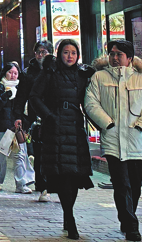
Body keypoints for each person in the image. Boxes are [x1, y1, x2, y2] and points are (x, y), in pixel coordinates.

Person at [85, 40, 142, 242]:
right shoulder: (99, 77)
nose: (115, 58)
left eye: (119, 54)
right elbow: (91, 103)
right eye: (112, 54)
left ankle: (126, 219)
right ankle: (132, 227)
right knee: (121, 185)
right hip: (113, 142)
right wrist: (107, 124)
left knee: (135, 186)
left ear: (130, 58)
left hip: (136, 141)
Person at [30, 40, 94, 240]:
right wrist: (48, 116)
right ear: (59, 54)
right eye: (66, 52)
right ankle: (70, 218)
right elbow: (34, 97)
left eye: (73, 52)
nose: (70, 56)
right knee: (63, 174)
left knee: (74, 175)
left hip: (75, 128)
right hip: (55, 129)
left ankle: (68, 213)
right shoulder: (49, 72)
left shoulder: (82, 74)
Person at [13, 40, 54, 202]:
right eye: (38, 52)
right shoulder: (28, 73)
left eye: (44, 52)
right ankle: (42, 184)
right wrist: (18, 116)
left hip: (54, 117)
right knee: (38, 151)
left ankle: (51, 184)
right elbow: (21, 97)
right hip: (35, 118)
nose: (40, 55)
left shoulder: (57, 69)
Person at [0, 63, 35, 192]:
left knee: (20, 156)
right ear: (4, 73)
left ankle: (21, 184)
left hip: (17, 129)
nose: (13, 75)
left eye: (15, 73)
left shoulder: (22, 89)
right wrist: (5, 96)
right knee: (0, 158)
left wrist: (25, 123)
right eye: (10, 72)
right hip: (1, 128)